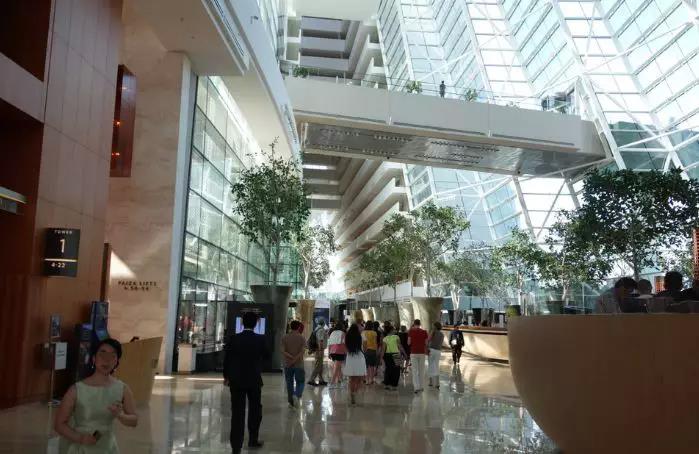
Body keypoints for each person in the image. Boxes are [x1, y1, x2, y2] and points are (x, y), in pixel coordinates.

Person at [55, 338, 138, 453]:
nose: (106, 360)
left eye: (112, 356)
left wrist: (120, 415)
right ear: (94, 358)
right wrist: (80, 438)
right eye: (102, 354)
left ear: (116, 362)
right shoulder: (76, 389)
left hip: (108, 448)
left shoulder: (122, 388)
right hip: (81, 447)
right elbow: (59, 424)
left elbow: (134, 420)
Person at [224, 311, 269, 454]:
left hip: (236, 380)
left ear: (243, 323)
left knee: (237, 412)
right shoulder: (260, 339)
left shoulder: (234, 338)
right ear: (256, 324)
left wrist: (226, 376)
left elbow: (227, 359)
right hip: (254, 379)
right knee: (255, 410)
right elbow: (267, 356)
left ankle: (236, 446)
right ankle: (253, 440)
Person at [282, 320, 306, 408]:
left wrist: (291, 358)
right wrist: (295, 359)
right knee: (300, 381)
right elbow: (302, 352)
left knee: (289, 382)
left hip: (288, 363)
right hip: (299, 364)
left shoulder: (284, 337)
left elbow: (283, 351)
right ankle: (297, 394)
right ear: (298, 327)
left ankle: (291, 401)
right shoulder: (302, 338)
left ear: (290, 327)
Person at [343, 323, 367, 405]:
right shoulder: (360, 336)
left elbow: (345, 346)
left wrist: (348, 352)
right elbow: (365, 346)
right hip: (359, 356)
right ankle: (355, 392)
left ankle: (351, 393)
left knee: (351, 378)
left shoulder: (347, 336)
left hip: (350, 357)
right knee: (359, 377)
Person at [382, 325, 406, 390]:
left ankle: (387, 384)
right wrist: (404, 353)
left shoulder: (385, 338)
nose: (395, 330)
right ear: (391, 330)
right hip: (396, 354)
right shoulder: (396, 337)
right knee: (396, 370)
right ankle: (394, 385)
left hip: (387, 355)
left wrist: (381, 357)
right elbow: (400, 346)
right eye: (394, 329)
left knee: (388, 369)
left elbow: (383, 349)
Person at [408, 319, 428, 393]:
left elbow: (408, 342)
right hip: (422, 352)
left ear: (414, 324)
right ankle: (421, 387)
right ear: (420, 324)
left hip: (413, 352)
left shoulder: (410, 331)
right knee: (421, 370)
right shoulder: (424, 332)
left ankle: (416, 387)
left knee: (415, 370)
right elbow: (426, 343)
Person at [307, 319, 328, 387]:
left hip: (318, 349)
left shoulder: (316, 329)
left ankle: (321, 380)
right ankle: (311, 379)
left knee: (320, 365)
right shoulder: (321, 330)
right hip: (319, 349)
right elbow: (320, 340)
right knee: (318, 365)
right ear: (323, 323)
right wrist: (320, 350)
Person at [327, 321, 347, 389]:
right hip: (339, 351)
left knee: (338, 367)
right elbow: (344, 343)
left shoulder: (332, 333)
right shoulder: (342, 333)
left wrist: (329, 353)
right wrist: (346, 352)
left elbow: (329, 343)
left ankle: (342, 382)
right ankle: (332, 383)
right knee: (336, 368)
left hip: (332, 351)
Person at [427, 322, 444, 389]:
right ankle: (437, 383)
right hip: (438, 351)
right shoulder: (442, 334)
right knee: (436, 366)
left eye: (433, 326)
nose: (432, 327)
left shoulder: (433, 332)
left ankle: (431, 382)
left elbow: (428, 340)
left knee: (430, 365)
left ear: (435, 327)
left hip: (432, 350)